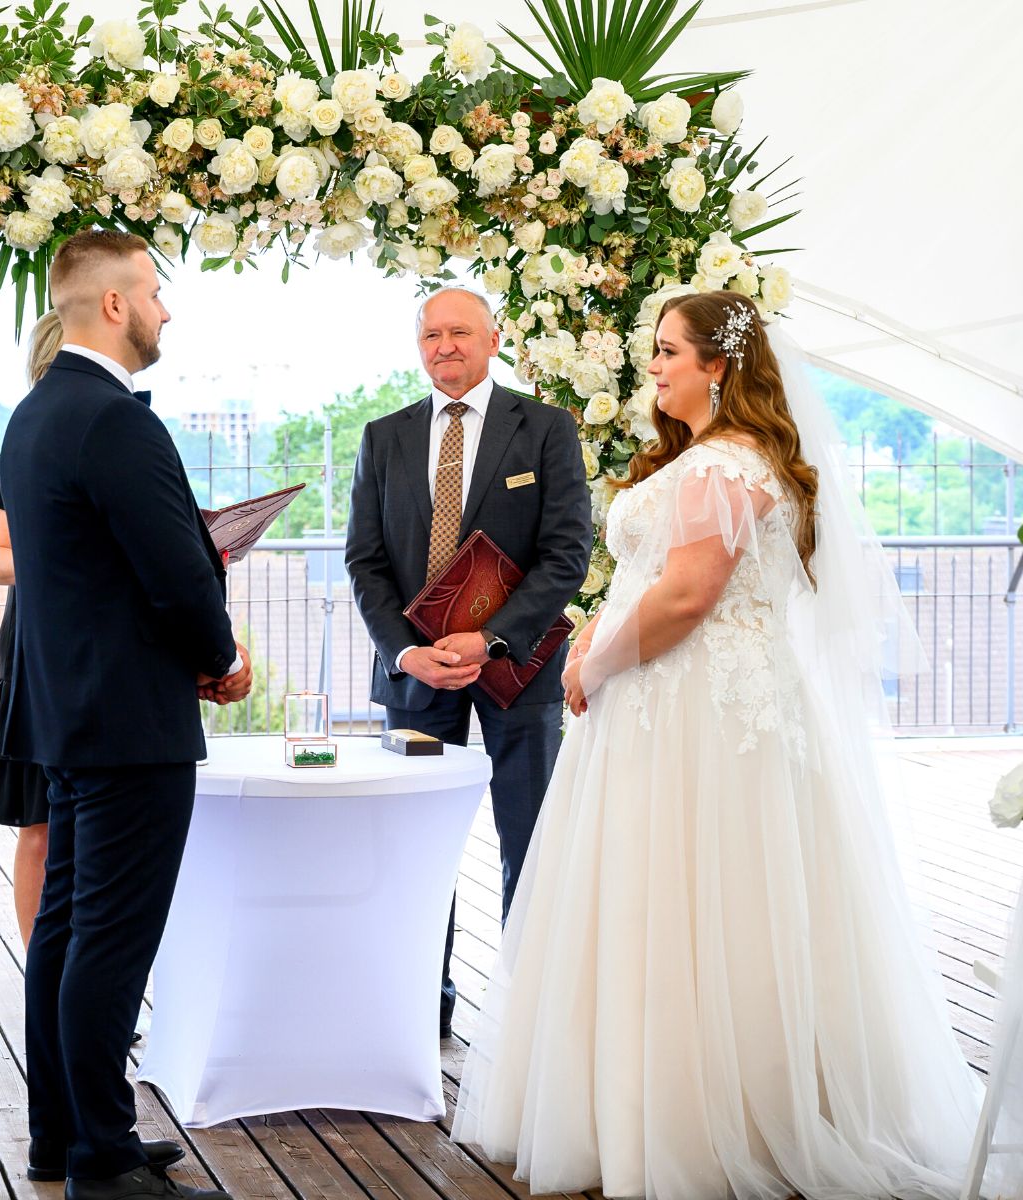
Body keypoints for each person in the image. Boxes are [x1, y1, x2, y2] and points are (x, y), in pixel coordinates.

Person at [451, 291, 981, 1198]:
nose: (653, 367)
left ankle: (703, 1121)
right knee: (672, 901)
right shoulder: (715, 459)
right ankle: (648, 1105)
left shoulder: (727, 465)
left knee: (702, 898)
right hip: (678, 701)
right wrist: (600, 642)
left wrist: (593, 660)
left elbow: (690, 598)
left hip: (696, 712)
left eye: (666, 351)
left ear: (718, 364)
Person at [0, 230, 252, 1200]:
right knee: (107, 939)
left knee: (64, 929)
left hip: (70, 713)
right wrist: (221, 658)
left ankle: (58, 1135)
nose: (165, 309)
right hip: (130, 726)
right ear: (113, 305)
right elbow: (176, 577)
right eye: (154, 291)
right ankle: (101, 1157)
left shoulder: (34, 415)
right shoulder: (114, 423)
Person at [345, 287, 591, 1039]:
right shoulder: (382, 437)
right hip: (416, 678)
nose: (444, 346)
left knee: (530, 839)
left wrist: (491, 639)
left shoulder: (545, 429)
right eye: (430, 335)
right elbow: (365, 562)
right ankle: (426, 1004)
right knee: (418, 848)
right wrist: (406, 651)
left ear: (493, 339)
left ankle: (528, 1014)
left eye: (459, 332)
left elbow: (566, 555)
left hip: (519, 674)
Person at [0, 310, 63, 947]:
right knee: (40, 826)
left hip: (110, 656)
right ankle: (45, 974)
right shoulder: (25, 442)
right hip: (41, 652)